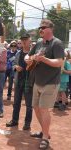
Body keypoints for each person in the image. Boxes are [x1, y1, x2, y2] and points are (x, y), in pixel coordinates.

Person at [25, 19, 64, 150]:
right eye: (40, 27)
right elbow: (27, 57)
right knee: (35, 107)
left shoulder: (57, 43)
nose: (40, 29)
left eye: (43, 27)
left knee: (43, 109)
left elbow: (59, 62)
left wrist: (43, 59)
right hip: (37, 81)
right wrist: (31, 58)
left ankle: (45, 138)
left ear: (50, 29)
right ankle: (44, 131)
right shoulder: (39, 43)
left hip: (51, 82)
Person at [6, 33, 33, 130]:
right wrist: (16, 67)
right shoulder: (18, 53)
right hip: (18, 81)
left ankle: (27, 123)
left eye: (26, 39)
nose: (24, 41)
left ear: (30, 40)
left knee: (29, 105)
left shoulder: (33, 53)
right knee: (16, 102)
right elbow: (13, 64)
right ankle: (14, 120)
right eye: (22, 40)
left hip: (29, 82)